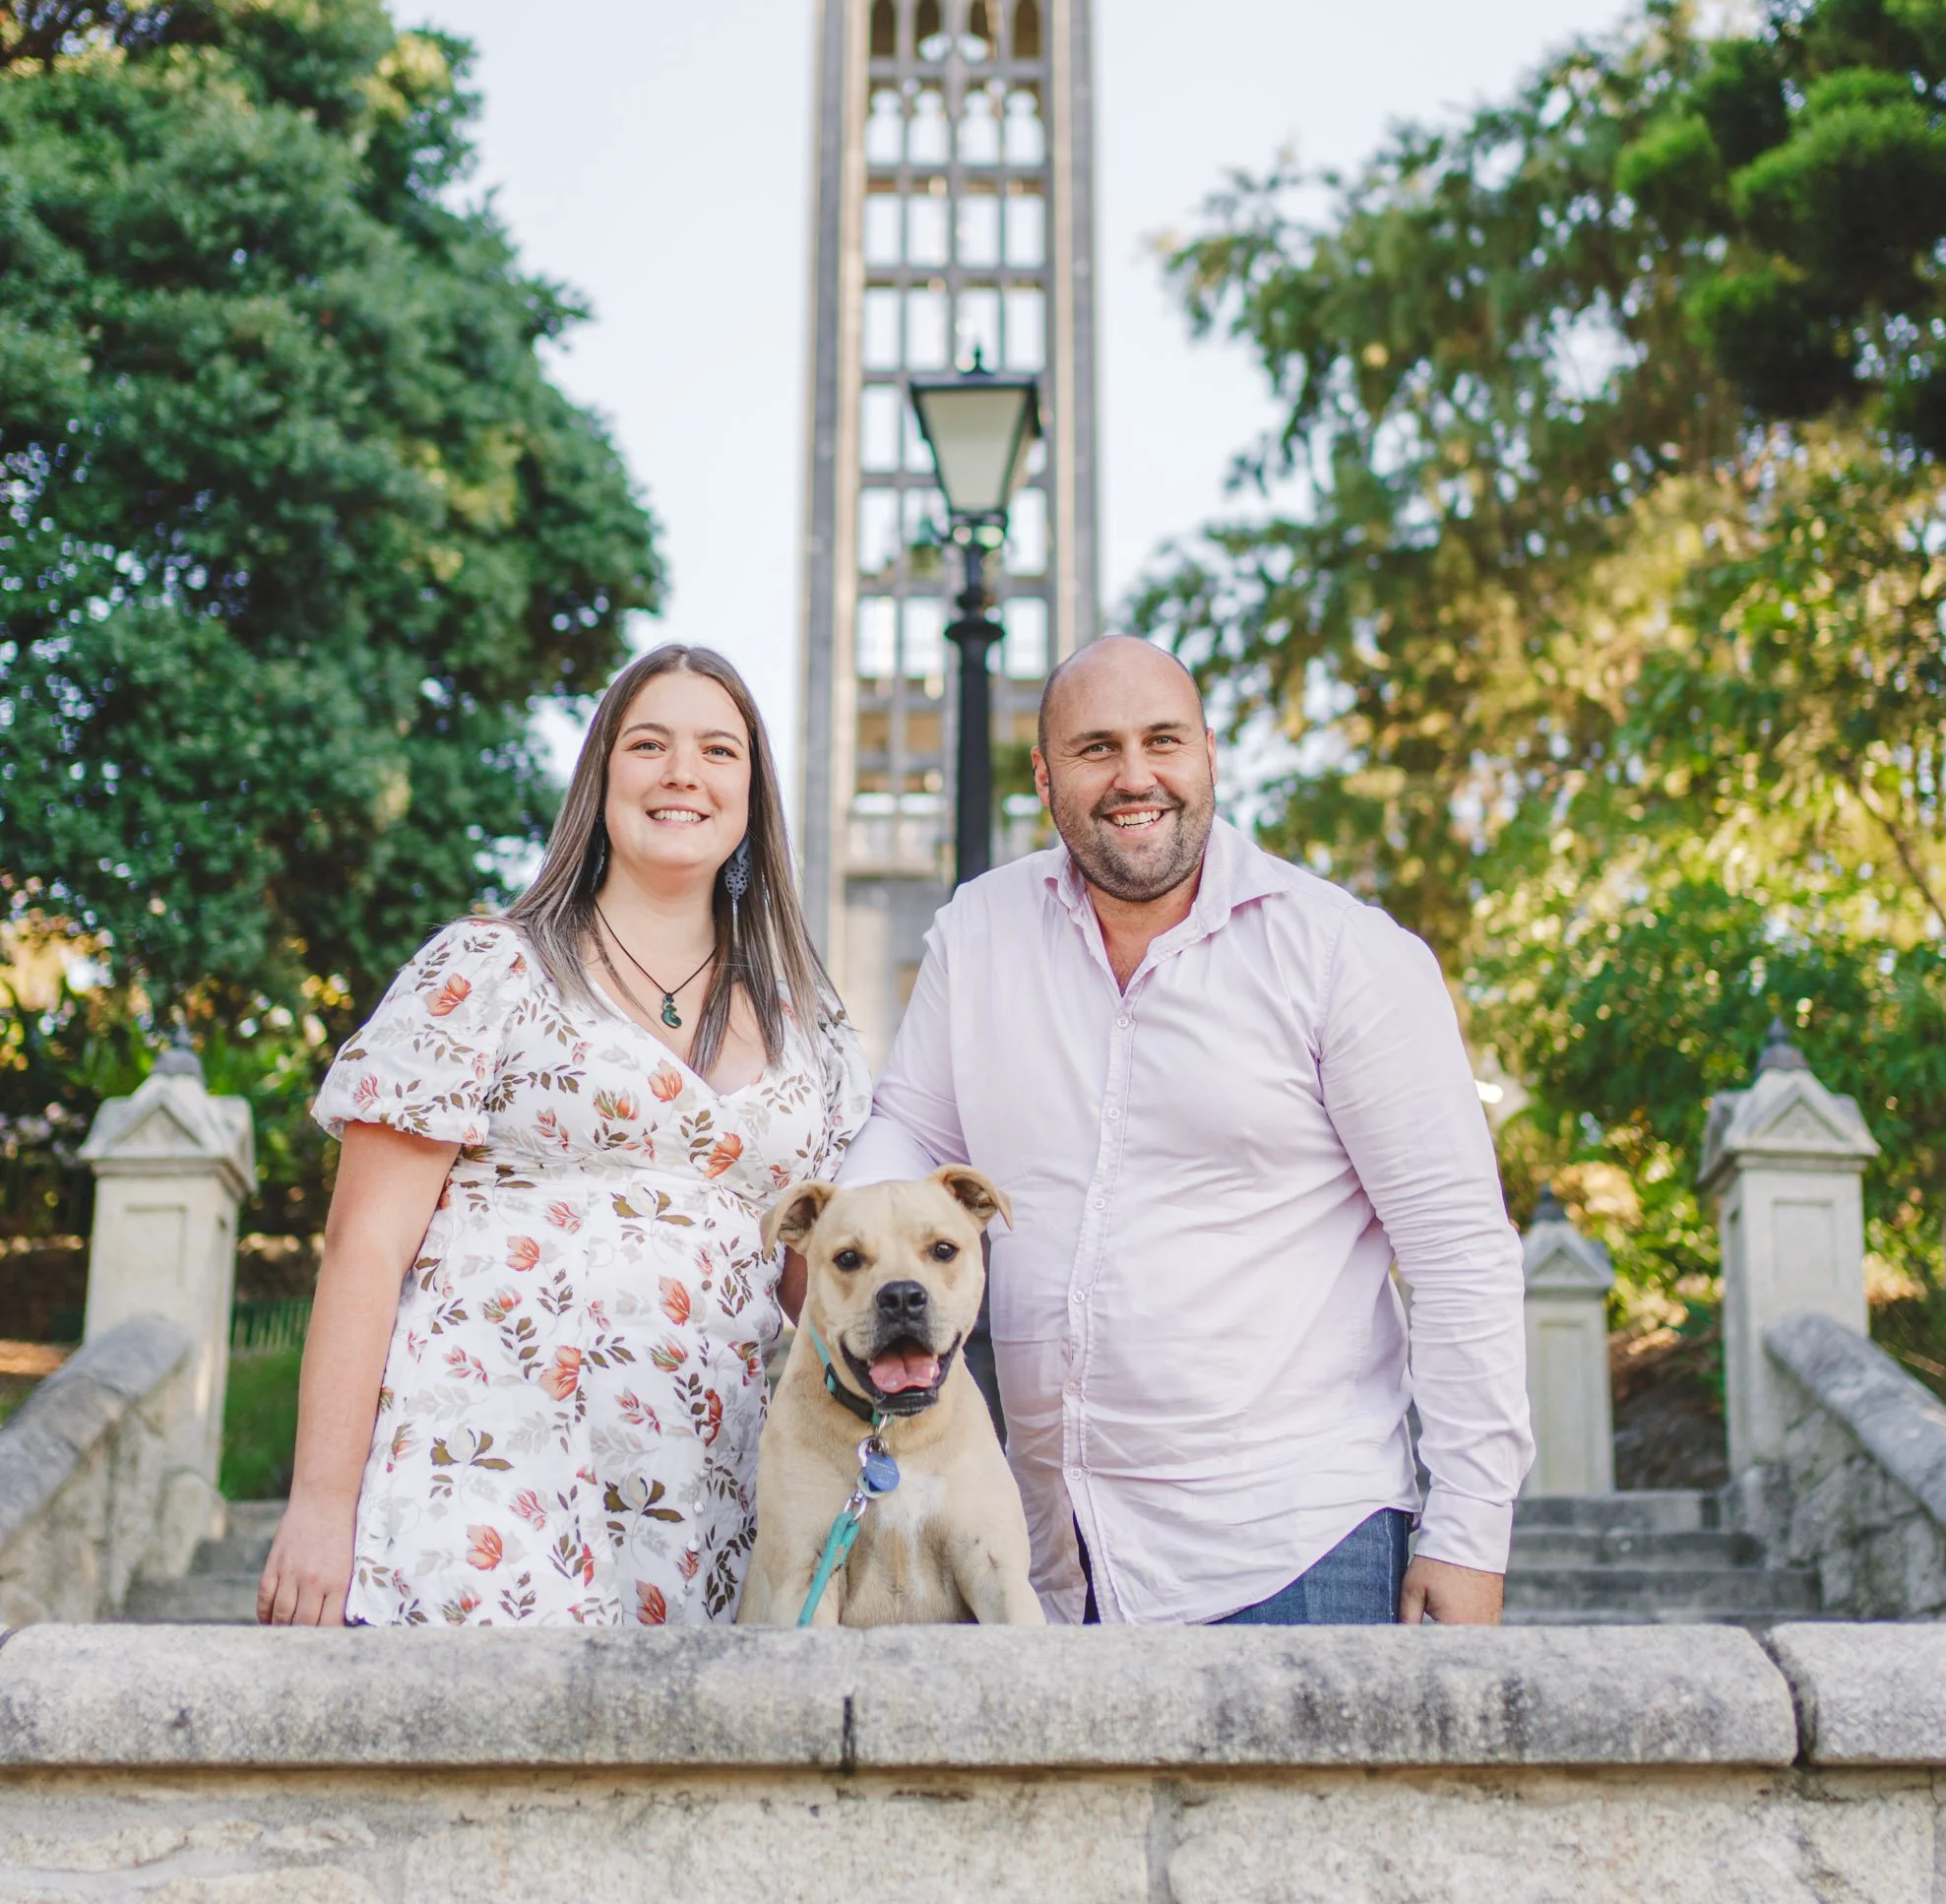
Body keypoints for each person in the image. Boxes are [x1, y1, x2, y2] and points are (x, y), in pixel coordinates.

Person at [841, 633, 1532, 1627]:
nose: (1134, 777)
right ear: (1044, 775)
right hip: (1043, 1557)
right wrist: (840, 1243)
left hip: (1295, 1547)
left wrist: (1467, 1532)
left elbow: (1457, 1250)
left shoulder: (1345, 956)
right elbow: (909, 1124)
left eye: (1161, 741)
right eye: (1094, 749)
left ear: (1208, 753)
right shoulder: (978, 933)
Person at [257, 643, 867, 1629]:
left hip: (707, 1490)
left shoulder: (815, 1034)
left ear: (752, 796)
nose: (682, 772)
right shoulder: (486, 971)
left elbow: (826, 1292)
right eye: (648, 744)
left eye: (718, 751)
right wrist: (320, 1507)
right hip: (488, 1460)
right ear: (600, 778)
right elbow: (364, 1246)